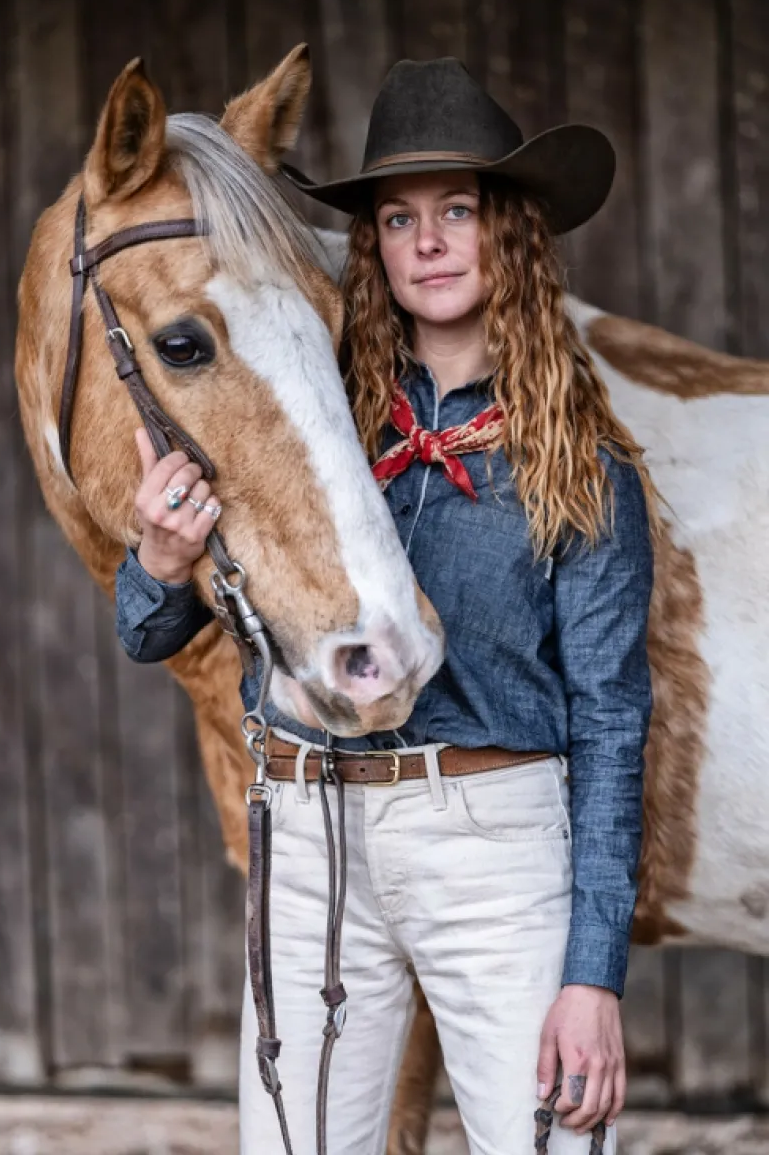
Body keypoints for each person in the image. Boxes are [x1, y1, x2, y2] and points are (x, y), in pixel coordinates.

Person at [115, 57, 657, 1154]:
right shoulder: (316, 431)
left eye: (456, 210)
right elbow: (149, 631)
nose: (426, 240)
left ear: (505, 231)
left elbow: (609, 721)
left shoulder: (581, 470)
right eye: (399, 218)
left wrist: (591, 976)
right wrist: (160, 558)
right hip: (312, 833)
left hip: (491, 843)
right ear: (373, 247)